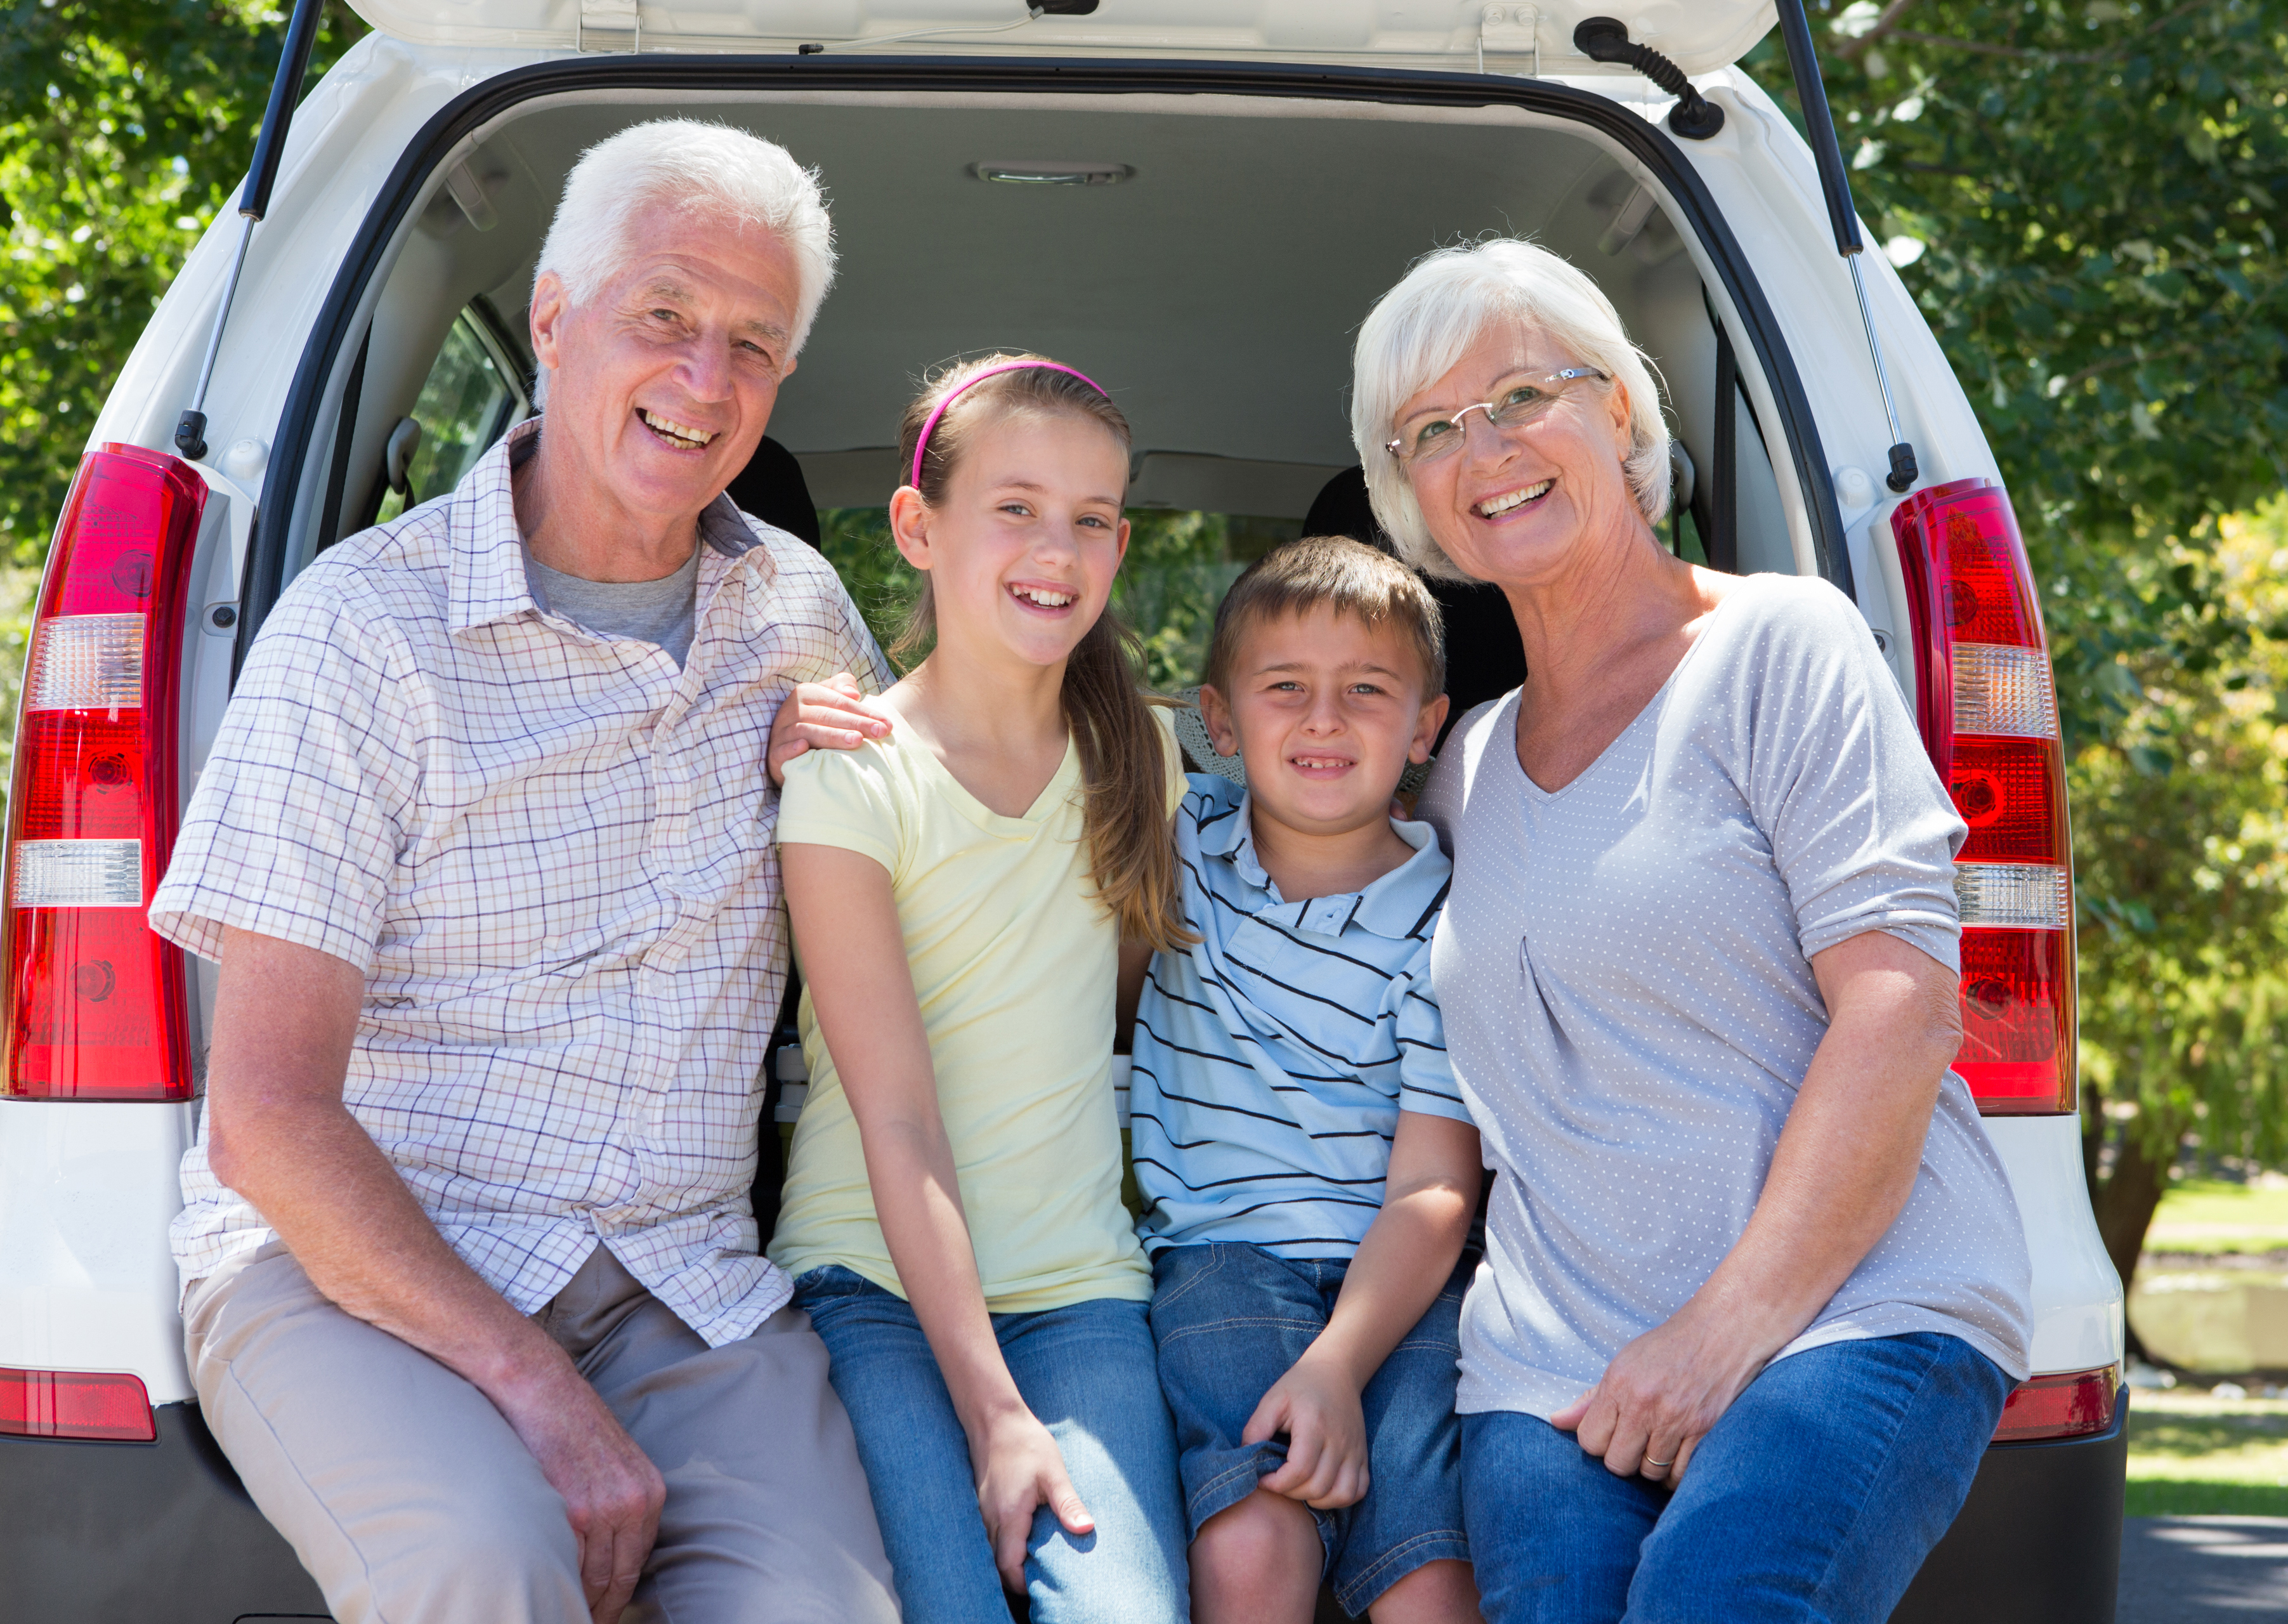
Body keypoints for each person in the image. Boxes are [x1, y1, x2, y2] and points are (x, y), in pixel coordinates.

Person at [150, 120, 899, 1624]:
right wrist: (536, 1390)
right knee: (483, 1564)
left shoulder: (797, 611)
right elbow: (268, 1120)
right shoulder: (362, 629)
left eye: (754, 345)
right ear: (554, 317)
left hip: (687, 1283)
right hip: (359, 1264)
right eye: (666, 316)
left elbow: (931, 887)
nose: (705, 380)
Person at [1359, 239, 2035, 1623]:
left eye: (1521, 394)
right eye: (1431, 430)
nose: (1483, 447)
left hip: (1849, 1313)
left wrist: (1717, 1338)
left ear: (1619, 409)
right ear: (1411, 497)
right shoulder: (1460, 772)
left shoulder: (1781, 644)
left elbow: (1903, 1005)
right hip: (1550, 1374)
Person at [766, 354, 1194, 1623]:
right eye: (1014, 504)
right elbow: (895, 1116)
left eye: (1092, 517)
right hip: (868, 1281)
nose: (1054, 546)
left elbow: (1117, 1008)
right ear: (917, 525)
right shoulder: (851, 773)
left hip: (1079, 1291)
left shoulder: (1145, 755)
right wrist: (998, 1417)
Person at [1129, 536, 1486, 1624]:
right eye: (1286, 689)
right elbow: (1023, 733)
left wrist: (1337, 1365)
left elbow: (1434, 1190)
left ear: (1426, 726)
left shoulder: (1449, 923)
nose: (1323, 720)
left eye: (1367, 691)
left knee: (1433, 1577)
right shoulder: (1176, 847)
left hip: (1411, 1281)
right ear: (1220, 723)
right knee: (1251, 1544)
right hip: (1224, 1260)